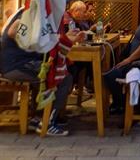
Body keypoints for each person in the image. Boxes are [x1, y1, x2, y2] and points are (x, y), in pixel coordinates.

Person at [1, 8, 83, 136]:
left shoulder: (28, 12)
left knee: (52, 73)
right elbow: (12, 32)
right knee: (64, 77)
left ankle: (38, 119)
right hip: (16, 66)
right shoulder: (29, 13)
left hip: (18, 63)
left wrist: (65, 38)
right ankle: (48, 123)